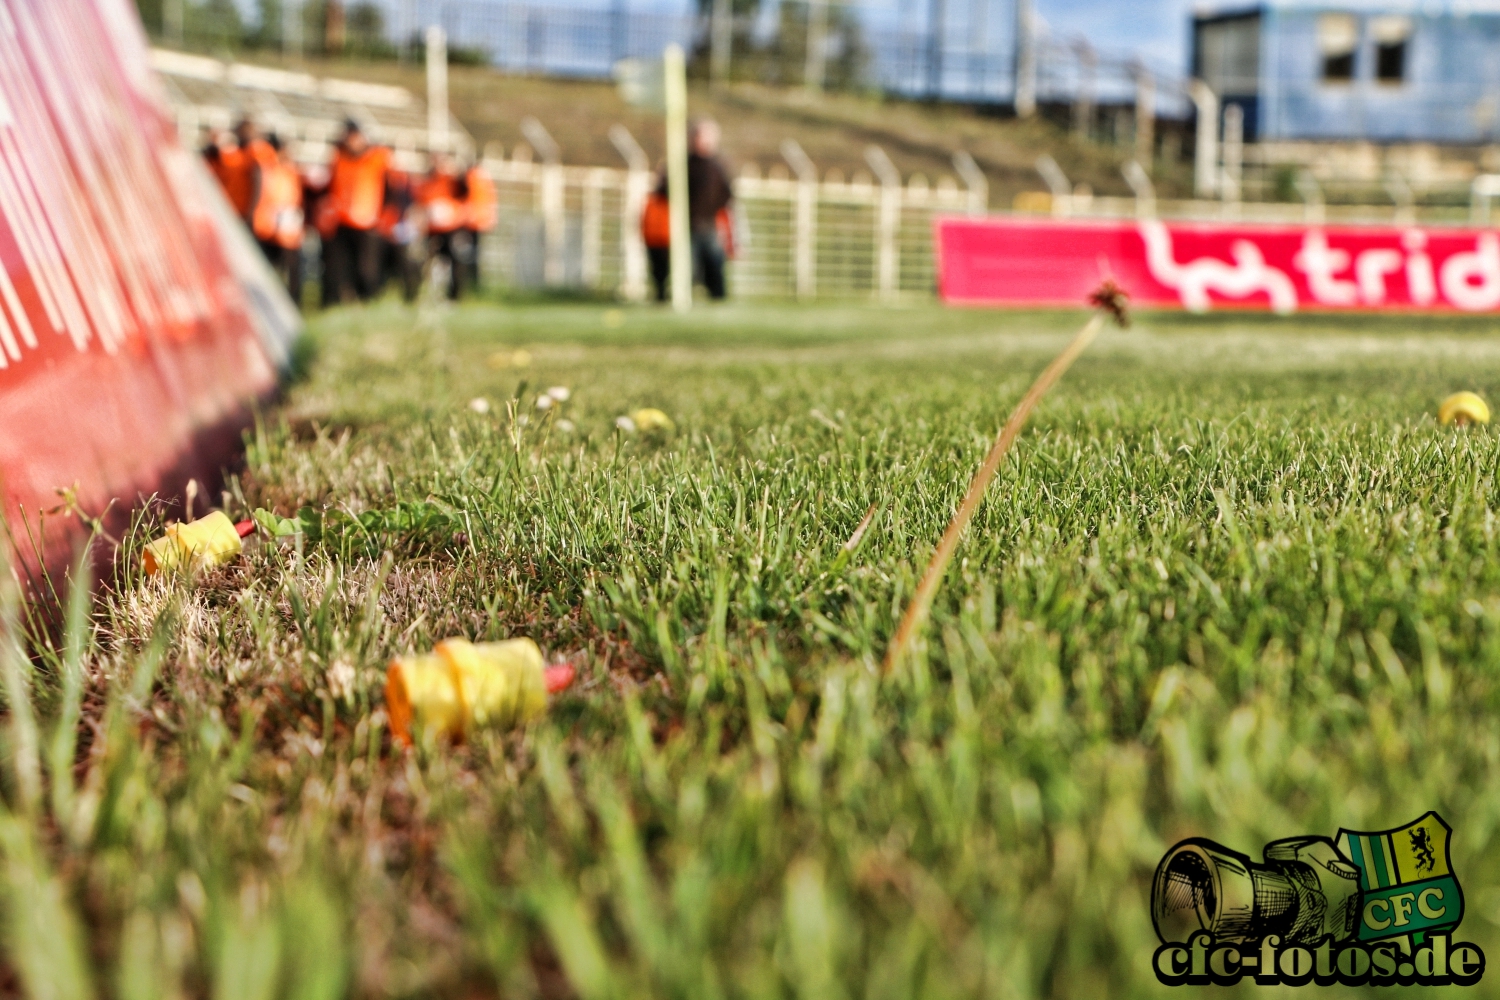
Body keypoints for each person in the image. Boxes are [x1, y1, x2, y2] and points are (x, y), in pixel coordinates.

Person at [321, 120, 391, 305]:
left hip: (367, 223)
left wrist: (385, 216)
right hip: (341, 221)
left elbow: (391, 188)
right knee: (338, 268)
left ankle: (369, 301)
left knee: (367, 269)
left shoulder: (377, 158)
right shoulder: (338, 158)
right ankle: (336, 302)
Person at [249, 134, 305, 305]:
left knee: (291, 269)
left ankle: (292, 303)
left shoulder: (291, 170)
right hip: (268, 227)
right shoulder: (267, 168)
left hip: (288, 228)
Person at [687, 119, 733, 300]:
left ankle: (718, 296)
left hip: (709, 223)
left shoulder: (717, 166)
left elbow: (726, 194)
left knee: (714, 263)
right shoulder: (684, 165)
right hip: (686, 224)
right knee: (688, 265)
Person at [417, 153, 469, 299]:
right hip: (433, 230)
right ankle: (429, 294)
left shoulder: (452, 181)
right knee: (429, 263)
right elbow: (420, 205)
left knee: (457, 261)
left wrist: (457, 172)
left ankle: (455, 296)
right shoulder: (426, 184)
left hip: (453, 228)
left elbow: (465, 189)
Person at [461, 160, 497, 294]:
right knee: (474, 254)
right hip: (480, 220)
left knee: (468, 255)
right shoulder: (485, 178)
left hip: (470, 221)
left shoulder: (472, 177)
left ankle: (470, 282)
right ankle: (474, 283)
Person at [641, 171, 671, 302]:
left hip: (667, 239)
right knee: (658, 272)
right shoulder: (653, 199)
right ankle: (661, 295)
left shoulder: (671, 199)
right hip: (655, 240)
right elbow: (646, 219)